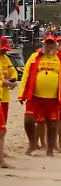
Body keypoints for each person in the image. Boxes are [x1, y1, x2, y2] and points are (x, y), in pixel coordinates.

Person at [19, 35, 61, 157]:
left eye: (51, 43)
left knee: (52, 124)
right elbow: (26, 75)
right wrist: (21, 94)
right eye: (47, 43)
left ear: (55, 45)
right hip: (35, 95)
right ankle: (32, 143)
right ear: (43, 44)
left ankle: (50, 150)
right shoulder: (35, 56)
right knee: (28, 119)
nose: (49, 45)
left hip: (54, 97)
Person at [0, 37, 19, 168]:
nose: (4, 52)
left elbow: (13, 71)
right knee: (2, 129)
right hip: (2, 92)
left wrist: (12, 80)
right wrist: (4, 82)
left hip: (4, 95)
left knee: (3, 127)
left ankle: (2, 153)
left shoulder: (5, 58)